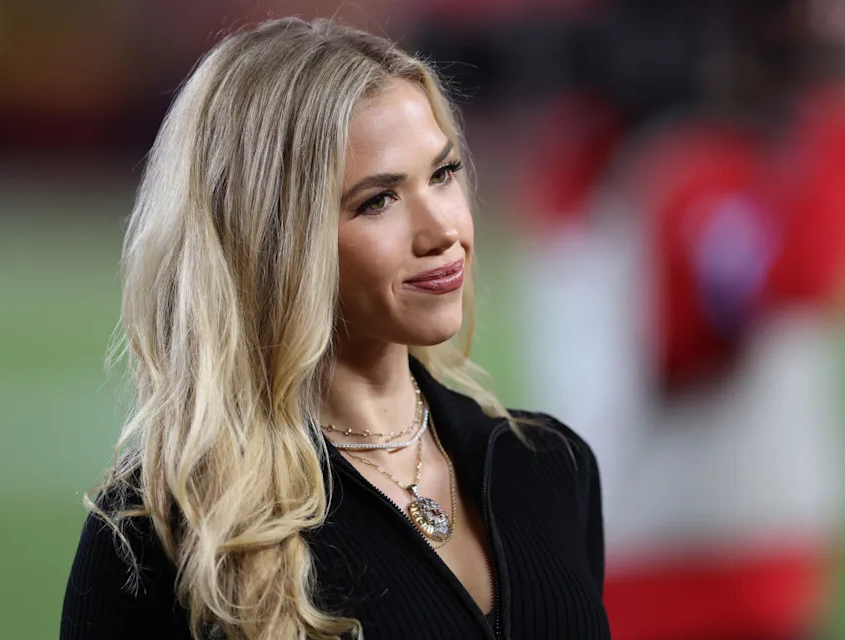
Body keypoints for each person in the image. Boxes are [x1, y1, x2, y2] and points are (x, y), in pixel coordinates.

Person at [60, 17, 609, 640]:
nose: (442, 232)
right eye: (378, 200)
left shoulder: (548, 465)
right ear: (274, 240)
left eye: (444, 173)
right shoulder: (161, 531)